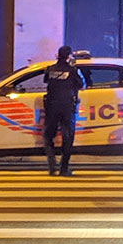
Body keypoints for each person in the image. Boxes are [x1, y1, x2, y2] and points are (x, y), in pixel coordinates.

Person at [43, 45, 83, 176]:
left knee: (48, 136)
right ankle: (63, 168)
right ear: (68, 56)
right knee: (67, 138)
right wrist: (73, 67)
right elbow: (81, 84)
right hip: (66, 108)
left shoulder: (50, 69)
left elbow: (46, 81)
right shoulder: (72, 71)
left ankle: (52, 165)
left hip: (52, 107)